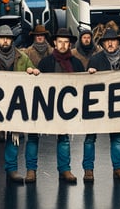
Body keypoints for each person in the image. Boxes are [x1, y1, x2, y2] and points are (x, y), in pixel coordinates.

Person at [0, 25, 40, 184]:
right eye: (2, 38)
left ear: (12, 40)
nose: (5, 41)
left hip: (15, 105)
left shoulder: (22, 58)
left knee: (13, 138)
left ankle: (12, 169)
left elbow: (33, 73)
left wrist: (34, 72)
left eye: (8, 38)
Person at [31, 28, 85, 184]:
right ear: (54, 43)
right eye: (60, 41)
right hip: (45, 105)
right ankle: (31, 170)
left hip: (66, 108)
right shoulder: (46, 62)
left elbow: (83, 84)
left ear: (70, 44)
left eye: (66, 42)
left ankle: (65, 170)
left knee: (64, 139)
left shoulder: (76, 63)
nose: (63, 45)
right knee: (33, 137)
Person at [84, 28, 120, 183]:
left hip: (117, 106)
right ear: (103, 44)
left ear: (118, 42)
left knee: (117, 138)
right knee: (90, 138)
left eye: (113, 40)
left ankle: (118, 168)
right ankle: (88, 169)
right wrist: (90, 73)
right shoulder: (95, 59)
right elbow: (87, 83)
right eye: (107, 41)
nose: (110, 43)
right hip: (97, 106)